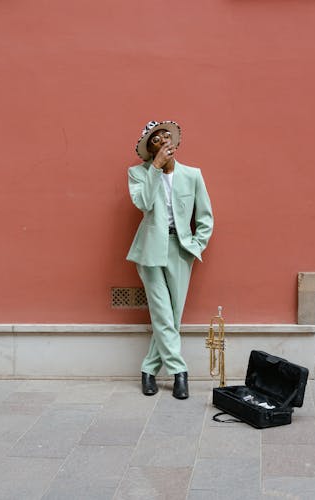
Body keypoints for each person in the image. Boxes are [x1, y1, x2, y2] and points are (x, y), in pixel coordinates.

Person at [127, 120, 214, 399]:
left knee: (172, 316)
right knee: (163, 313)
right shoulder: (138, 173)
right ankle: (179, 372)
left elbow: (205, 218)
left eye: (167, 137)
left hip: (180, 248)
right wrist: (155, 169)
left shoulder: (192, 175)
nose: (164, 141)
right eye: (157, 140)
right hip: (150, 250)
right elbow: (144, 203)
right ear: (150, 149)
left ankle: (149, 369)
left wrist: (196, 244)